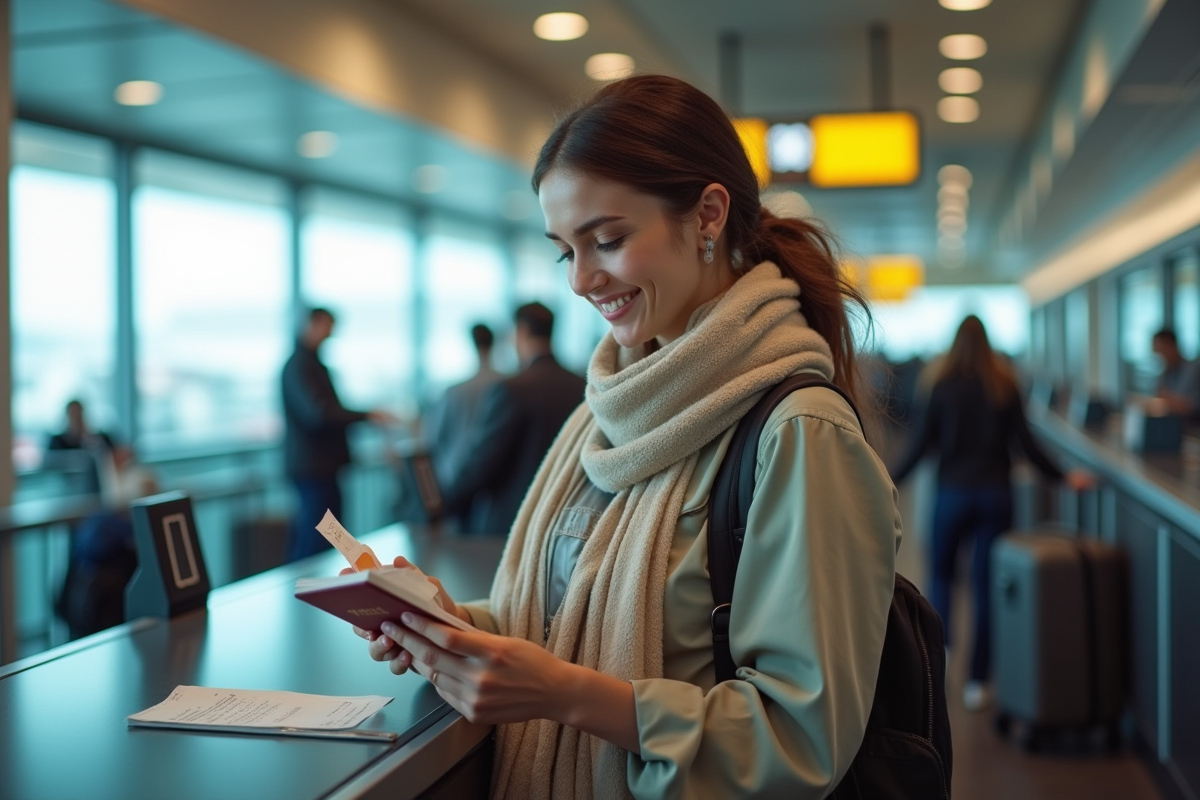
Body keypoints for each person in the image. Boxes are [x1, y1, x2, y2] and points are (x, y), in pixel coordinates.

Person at [352, 75, 901, 798]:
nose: (581, 280)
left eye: (606, 240)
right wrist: (448, 624)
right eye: (564, 252)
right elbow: (563, 623)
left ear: (707, 215)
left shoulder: (798, 432)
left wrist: (565, 695)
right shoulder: (606, 413)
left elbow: (799, 739)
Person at [890, 315, 1092, 712]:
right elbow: (1026, 443)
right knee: (985, 587)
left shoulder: (940, 385)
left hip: (952, 494)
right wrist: (1064, 476)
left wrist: (886, 479)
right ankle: (979, 681)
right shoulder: (1004, 384)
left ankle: (941, 663)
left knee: (942, 578)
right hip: (996, 495)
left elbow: (920, 445)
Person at [440, 303, 586, 535]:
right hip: (569, 521)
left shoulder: (512, 389)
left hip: (513, 525)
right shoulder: (582, 386)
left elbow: (483, 463)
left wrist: (443, 503)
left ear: (522, 331)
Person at [281, 307, 394, 562]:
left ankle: (311, 591)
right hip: (313, 468)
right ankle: (303, 593)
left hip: (320, 467)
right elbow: (319, 414)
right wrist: (367, 416)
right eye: (327, 326)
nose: (331, 333)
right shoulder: (300, 366)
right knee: (316, 540)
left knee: (325, 538)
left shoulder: (310, 364)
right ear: (312, 324)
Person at [424, 323, 504, 528]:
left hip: (456, 478)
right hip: (497, 482)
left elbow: (433, 437)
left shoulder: (455, 392)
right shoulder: (508, 384)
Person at [45, 399, 116, 493]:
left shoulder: (98, 438)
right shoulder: (57, 441)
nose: (76, 419)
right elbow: (51, 464)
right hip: (65, 491)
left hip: (97, 491)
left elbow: (114, 454)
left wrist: (89, 441)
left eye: (78, 415)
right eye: (73, 415)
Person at [1151, 328, 1200, 418]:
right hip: (1170, 426)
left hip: (1192, 428)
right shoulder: (1164, 374)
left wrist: (1169, 401)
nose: (1158, 356)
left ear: (1170, 346)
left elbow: (1194, 405)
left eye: (1160, 350)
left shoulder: (1193, 371)